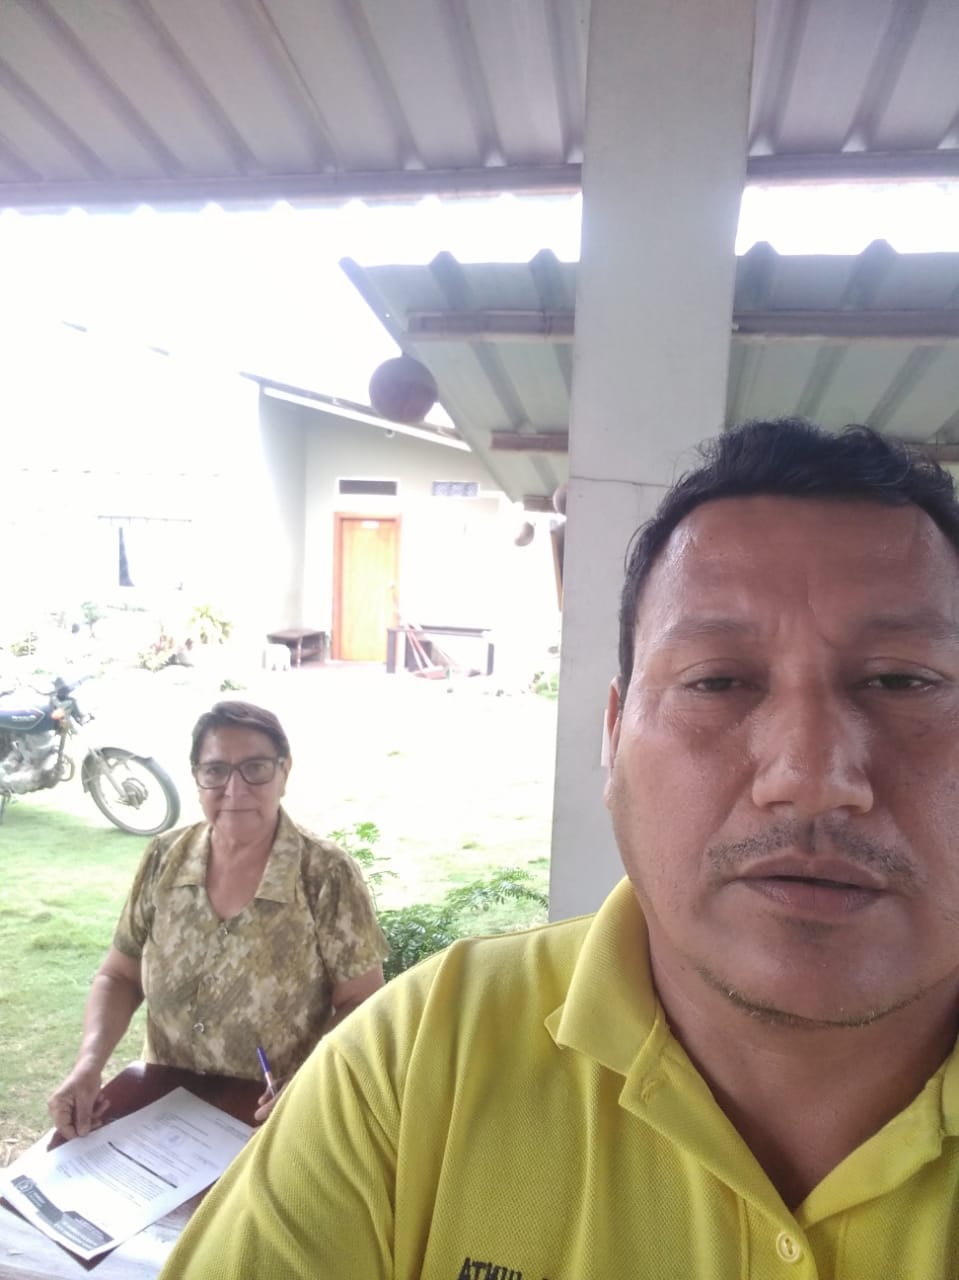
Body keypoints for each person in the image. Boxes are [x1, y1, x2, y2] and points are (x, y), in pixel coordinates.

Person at [162, 420, 959, 1278]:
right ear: (613, 737)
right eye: (717, 681)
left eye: (902, 681)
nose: (809, 777)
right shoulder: (416, 1068)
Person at [49, 700, 387, 1137]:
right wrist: (88, 1065)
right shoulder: (164, 857)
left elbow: (362, 1001)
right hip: (164, 1109)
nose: (235, 789)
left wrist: (310, 1078)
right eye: (215, 771)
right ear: (197, 778)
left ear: (284, 771)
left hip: (273, 1115)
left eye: (256, 768)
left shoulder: (325, 873)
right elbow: (120, 975)